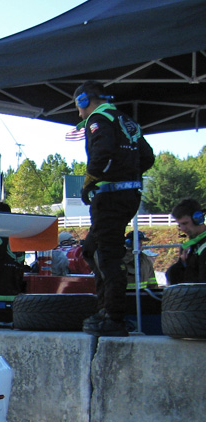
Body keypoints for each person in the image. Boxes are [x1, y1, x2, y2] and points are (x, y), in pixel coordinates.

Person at [74, 80, 155, 337]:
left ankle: (114, 317)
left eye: (78, 105)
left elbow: (103, 151)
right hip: (129, 195)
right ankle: (105, 309)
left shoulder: (98, 118)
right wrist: (128, 174)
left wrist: (90, 181)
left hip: (109, 196)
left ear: (84, 101)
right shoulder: (125, 119)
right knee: (91, 249)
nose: (78, 112)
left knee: (108, 256)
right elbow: (148, 156)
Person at [165, 198, 206, 284]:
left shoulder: (202, 246)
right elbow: (173, 275)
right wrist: (183, 264)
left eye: (185, 223)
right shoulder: (190, 246)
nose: (182, 229)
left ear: (198, 219)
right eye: (179, 224)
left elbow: (201, 282)